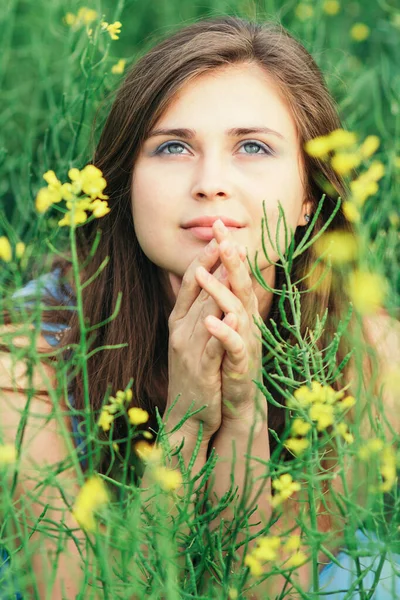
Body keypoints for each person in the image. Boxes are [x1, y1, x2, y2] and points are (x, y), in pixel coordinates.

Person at [1, 14, 399, 599]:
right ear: (121, 186)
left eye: (253, 146)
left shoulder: (375, 357)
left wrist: (242, 418)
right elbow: (83, 593)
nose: (211, 181)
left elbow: (267, 591)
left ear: (307, 198)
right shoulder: (22, 362)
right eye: (172, 146)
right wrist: (187, 423)